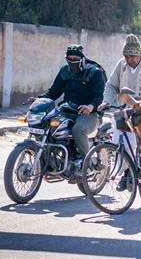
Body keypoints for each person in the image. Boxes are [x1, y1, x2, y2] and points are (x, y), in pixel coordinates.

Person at [28, 44, 105, 177]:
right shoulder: (65, 71)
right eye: (69, 58)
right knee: (47, 127)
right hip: (66, 110)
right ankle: (49, 163)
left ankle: (87, 166)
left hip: (89, 114)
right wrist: (38, 99)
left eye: (76, 58)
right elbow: (53, 92)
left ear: (82, 58)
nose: (72, 61)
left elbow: (99, 96)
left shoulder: (94, 72)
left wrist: (90, 106)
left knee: (78, 130)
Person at [98, 34, 141, 191]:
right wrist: (106, 101)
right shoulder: (121, 65)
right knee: (118, 140)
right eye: (126, 56)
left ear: (139, 54)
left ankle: (132, 170)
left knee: (134, 140)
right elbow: (112, 85)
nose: (129, 60)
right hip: (125, 110)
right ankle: (126, 172)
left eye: (132, 56)